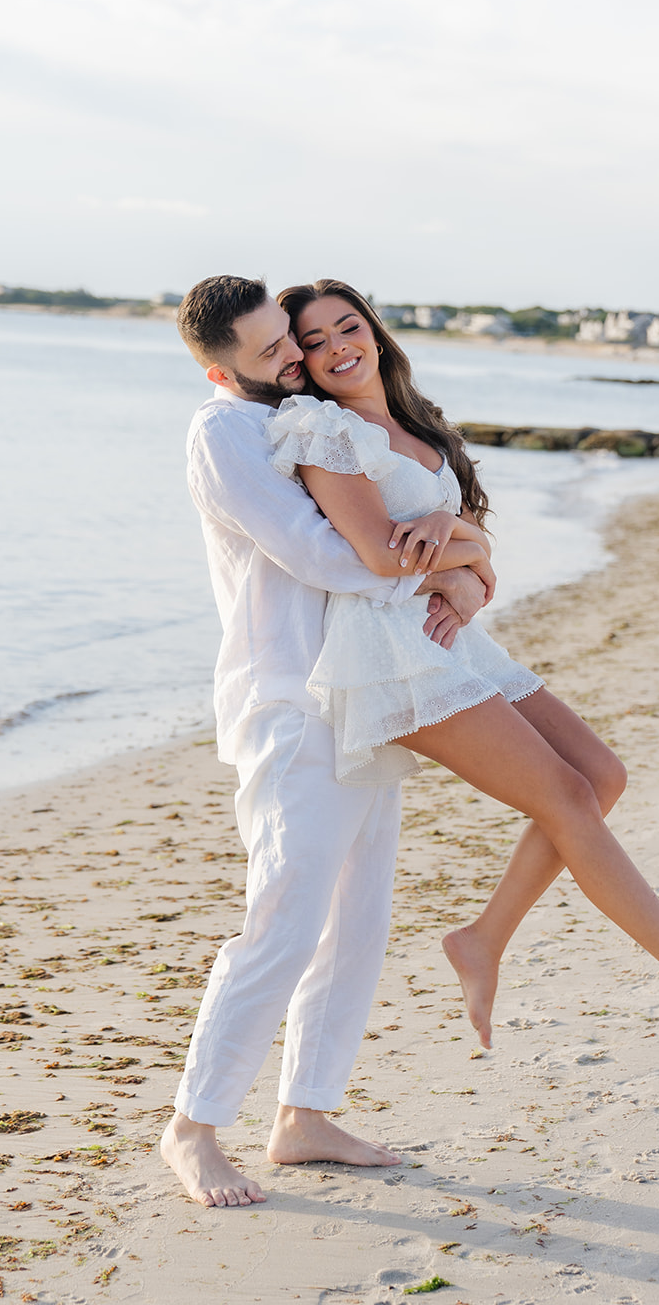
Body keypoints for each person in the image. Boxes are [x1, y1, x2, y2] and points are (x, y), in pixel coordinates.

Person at [270, 278, 659, 1046]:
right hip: (388, 650)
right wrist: (461, 552)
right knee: (563, 792)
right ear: (297, 360)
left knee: (601, 776)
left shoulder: (414, 426)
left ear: (375, 331)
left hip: (441, 634)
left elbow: (465, 543)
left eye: (346, 327)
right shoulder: (321, 430)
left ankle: (483, 938)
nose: (336, 349)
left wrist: (460, 548)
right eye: (314, 341)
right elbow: (375, 554)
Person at [160, 275, 488, 1211]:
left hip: (364, 689)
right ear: (215, 368)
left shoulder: (298, 410)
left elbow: (382, 536)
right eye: (267, 354)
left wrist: (456, 562)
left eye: (287, 343)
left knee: (357, 922)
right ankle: (193, 1126)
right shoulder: (221, 431)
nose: (291, 360)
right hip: (286, 700)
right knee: (285, 916)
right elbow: (321, 556)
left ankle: (303, 1113)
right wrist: (452, 559)